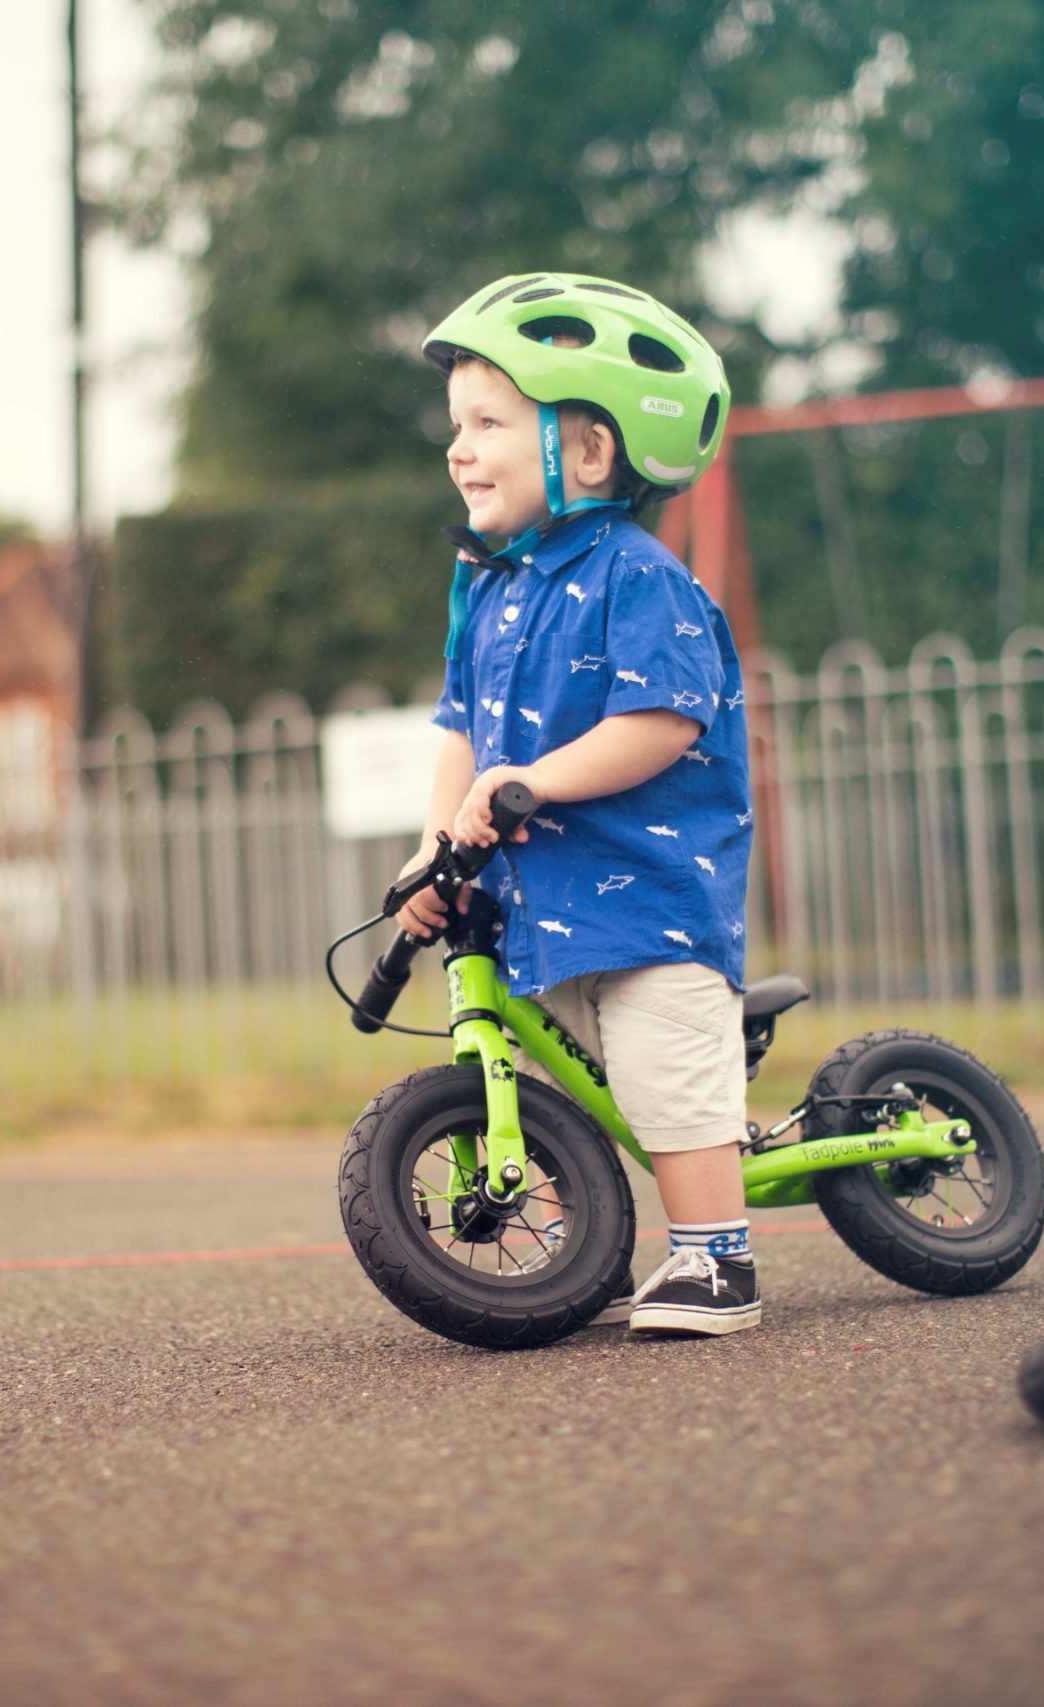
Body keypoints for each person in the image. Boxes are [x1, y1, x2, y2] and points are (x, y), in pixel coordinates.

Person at [395, 272, 758, 1336]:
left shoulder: (635, 578)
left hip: (646, 902)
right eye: (456, 426)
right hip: (538, 911)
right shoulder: (493, 591)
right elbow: (459, 733)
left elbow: (663, 721)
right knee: (567, 1087)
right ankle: (579, 1255)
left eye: (489, 423)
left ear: (588, 452)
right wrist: (431, 851)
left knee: (664, 1078)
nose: (458, 449)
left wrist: (536, 782)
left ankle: (716, 1260)